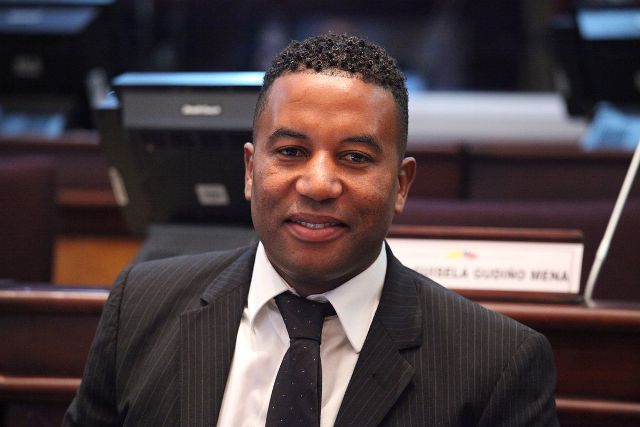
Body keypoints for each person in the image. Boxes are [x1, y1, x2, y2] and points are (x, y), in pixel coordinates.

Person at [63, 33, 559, 426]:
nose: (318, 184)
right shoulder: (140, 307)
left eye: (355, 157)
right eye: (291, 152)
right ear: (250, 171)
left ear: (401, 185)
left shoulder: (497, 365)